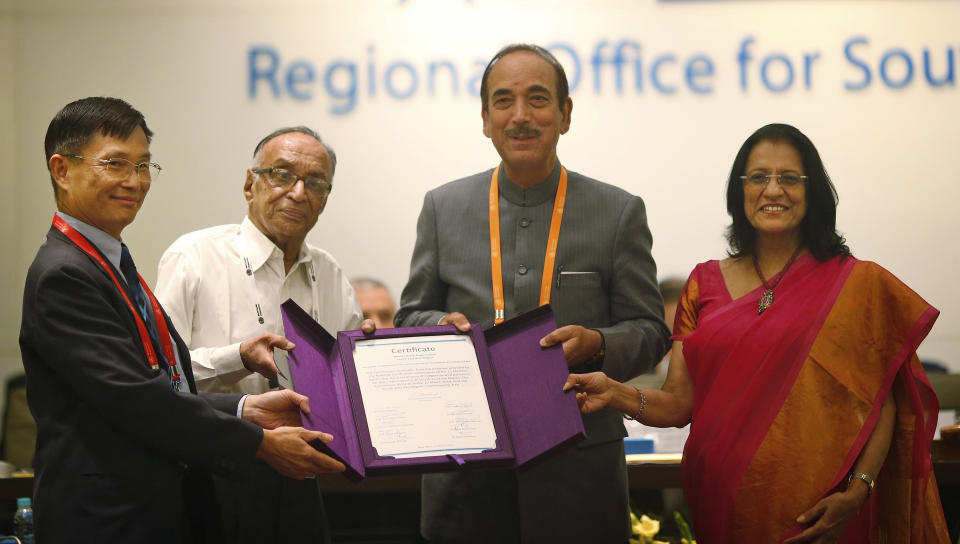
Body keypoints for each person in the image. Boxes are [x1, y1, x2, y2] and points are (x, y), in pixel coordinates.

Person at [566, 123, 951, 543]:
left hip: (822, 514)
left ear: (813, 192)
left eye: (789, 178)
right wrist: (614, 390)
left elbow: (885, 403)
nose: (772, 190)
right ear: (740, 190)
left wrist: (858, 490)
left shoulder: (857, 285)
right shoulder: (702, 283)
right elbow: (678, 404)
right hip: (721, 504)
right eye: (758, 178)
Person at [19, 97, 346, 543]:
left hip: (160, 503)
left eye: (143, 166)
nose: (133, 182)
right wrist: (259, 443)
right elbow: (137, 400)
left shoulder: (110, 261)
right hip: (108, 518)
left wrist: (245, 408)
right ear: (62, 170)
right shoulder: (67, 274)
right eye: (115, 164)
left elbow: (158, 384)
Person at [395, 43, 670, 543]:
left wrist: (596, 344)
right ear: (484, 118)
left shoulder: (617, 212)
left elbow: (652, 332)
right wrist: (439, 328)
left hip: (578, 468)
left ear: (565, 114)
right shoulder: (443, 207)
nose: (520, 116)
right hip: (465, 466)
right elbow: (410, 313)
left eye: (538, 99)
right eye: (503, 101)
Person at [155, 126, 371, 542]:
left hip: (301, 479)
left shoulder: (329, 273)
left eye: (316, 183)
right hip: (212, 472)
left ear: (325, 200)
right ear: (249, 185)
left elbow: (346, 389)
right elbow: (160, 377)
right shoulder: (195, 257)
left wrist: (370, 358)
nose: (298, 192)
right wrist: (235, 355)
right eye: (282, 174)